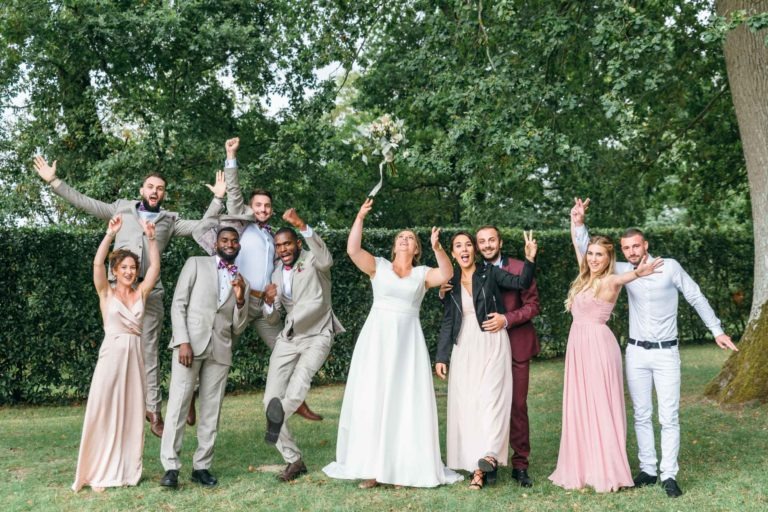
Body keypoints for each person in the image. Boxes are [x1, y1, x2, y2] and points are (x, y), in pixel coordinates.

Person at [33, 156, 225, 437]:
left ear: (163, 194)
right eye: (150, 186)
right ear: (141, 190)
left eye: (160, 188)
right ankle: (113, 415)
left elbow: (201, 227)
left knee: (149, 353)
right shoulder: (120, 209)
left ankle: (154, 412)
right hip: (119, 295)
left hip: (149, 296)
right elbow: (86, 202)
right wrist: (54, 181)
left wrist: (218, 200)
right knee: (116, 352)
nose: (154, 191)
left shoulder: (169, 220)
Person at [571, 197, 738, 497]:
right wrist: (579, 223)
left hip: (666, 353)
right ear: (621, 251)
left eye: (636, 246)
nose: (631, 251)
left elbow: (696, 296)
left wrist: (717, 330)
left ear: (645, 245)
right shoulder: (620, 270)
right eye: (626, 247)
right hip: (635, 352)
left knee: (669, 415)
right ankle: (648, 469)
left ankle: (668, 474)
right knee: (641, 414)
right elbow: (589, 254)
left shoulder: (669, 267)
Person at [322, 198, 462, 488]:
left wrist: (438, 249)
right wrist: (359, 217)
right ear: (394, 245)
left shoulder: (423, 273)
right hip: (377, 341)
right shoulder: (379, 267)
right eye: (400, 237)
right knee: (373, 399)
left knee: (405, 402)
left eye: (410, 238)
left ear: (416, 248)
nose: (404, 240)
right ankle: (372, 469)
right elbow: (352, 250)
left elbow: (447, 274)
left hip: (407, 343)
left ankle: (402, 469)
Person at [549, 207, 663, 493]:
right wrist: (577, 222)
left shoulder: (611, 279)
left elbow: (628, 277)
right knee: (580, 404)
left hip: (599, 346)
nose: (594, 258)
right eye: (591, 254)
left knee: (600, 405)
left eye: (600, 254)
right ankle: (584, 465)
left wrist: (641, 271)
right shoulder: (585, 276)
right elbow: (578, 243)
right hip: (578, 345)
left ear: (610, 258)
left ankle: (607, 468)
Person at [214, 137, 321, 422]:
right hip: (239, 302)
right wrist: (231, 155)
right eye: (258, 205)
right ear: (251, 207)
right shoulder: (243, 225)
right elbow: (233, 193)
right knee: (219, 355)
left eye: (267, 206)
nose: (262, 210)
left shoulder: (274, 237)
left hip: (264, 307)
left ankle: (296, 399)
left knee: (287, 350)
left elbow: (286, 268)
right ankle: (195, 397)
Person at [435, 231, 537, 490]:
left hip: (492, 340)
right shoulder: (450, 281)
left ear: (475, 250)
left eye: (468, 244)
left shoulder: (489, 272)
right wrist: (441, 356)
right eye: (459, 246)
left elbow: (522, 282)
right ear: (453, 252)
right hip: (465, 346)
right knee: (469, 405)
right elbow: (448, 320)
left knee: (493, 399)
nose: (465, 249)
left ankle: (491, 454)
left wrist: (530, 258)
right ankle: (476, 470)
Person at [72, 214, 160, 492]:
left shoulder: (142, 293)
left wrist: (152, 239)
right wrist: (109, 235)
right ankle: (97, 469)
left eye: (133, 267)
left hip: (135, 358)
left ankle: (124, 470)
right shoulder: (105, 292)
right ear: (115, 270)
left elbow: (155, 266)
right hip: (111, 356)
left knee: (132, 413)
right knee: (103, 410)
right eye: (124, 267)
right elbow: (97, 263)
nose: (130, 271)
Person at [159, 227, 250, 489]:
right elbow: (179, 304)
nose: (230, 244)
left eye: (234, 241)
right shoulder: (195, 264)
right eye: (225, 240)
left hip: (220, 350)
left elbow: (238, 327)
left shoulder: (242, 280)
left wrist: (241, 299)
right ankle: (170, 467)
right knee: (177, 404)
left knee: (212, 410)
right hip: (189, 345)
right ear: (216, 243)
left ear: (239, 247)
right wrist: (183, 340)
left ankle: (202, 466)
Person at [262, 209, 344, 482]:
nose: (283, 249)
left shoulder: (313, 262)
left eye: (287, 243)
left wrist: (302, 225)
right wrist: (268, 301)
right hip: (289, 338)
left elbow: (327, 258)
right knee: (268, 401)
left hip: (318, 334)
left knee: (298, 385)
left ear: (297, 244)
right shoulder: (275, 273)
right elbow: (273, 317)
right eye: (279, 246)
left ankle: (278, 418)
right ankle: (294, 460)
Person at [476, 225, 541, 487]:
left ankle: (520, 464)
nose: (487, 245)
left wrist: (506, 319)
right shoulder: (472, 270)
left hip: (516, 345)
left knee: (517, 405)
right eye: (482, 241)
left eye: (492, 240)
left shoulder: (519, 267)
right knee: (486, 404)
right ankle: (488, 460)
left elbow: (533, 305)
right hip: (484, 348)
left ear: (500, 242)